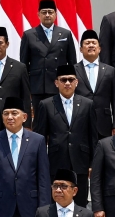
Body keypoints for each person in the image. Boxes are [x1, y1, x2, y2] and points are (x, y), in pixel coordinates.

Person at [33, 64, 98, 207]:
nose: (67, 83)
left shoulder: (88, 104)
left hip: (80, 161)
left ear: (76, 82)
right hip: (56, 161)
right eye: (63, 80)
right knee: (56, 203)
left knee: (80, 203)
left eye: (70, 79)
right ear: (56, 83)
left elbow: (93, 136)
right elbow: (40, 137)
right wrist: (40, 163)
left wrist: (93, 163)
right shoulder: (47, 104)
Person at [19, 0, 77, 105]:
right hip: (38, 85)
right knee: (39, 119)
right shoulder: (29, 35)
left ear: (55, 14)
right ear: (38, 15)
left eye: (50, 12)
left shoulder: (65, 34)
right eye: (44, 12)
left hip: (60, 85)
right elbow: (24, 64)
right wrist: (26, 87)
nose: (47, 15)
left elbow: (72, 62)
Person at [74, 30, 115, 140]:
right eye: (87, 43)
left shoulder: (110, 71)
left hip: (104, 124)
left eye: (94, 43)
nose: (91, 45)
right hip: (80, 123)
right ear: (81, 49)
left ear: (99, 48)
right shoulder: (73, 71)